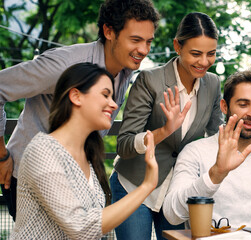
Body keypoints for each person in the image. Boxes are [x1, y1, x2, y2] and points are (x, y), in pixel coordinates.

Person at [0, 0, 159, 221]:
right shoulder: (65, 64)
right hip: (32, 178)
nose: (143, 50)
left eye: (148, 41)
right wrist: (1, 155)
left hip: (75, 179)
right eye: (135, 40)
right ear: (108, 31)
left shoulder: (125, 69)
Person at [10, 63, 160, 239]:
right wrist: (146, 186)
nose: (113, 105)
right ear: (76, 96)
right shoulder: (42, 151)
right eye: (105, 95)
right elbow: (81, 227)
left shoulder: (87, 154)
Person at [111, 12, 224, 240]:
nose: (204, 62)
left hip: (177, 193)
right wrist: (164, 131)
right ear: (177, 46)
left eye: (211, 54)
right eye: (195, 53)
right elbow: (124, 145)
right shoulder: (149, 81)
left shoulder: (212, 84)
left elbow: (214, 137)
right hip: (134, 186)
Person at [163, 69, 251, 228]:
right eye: (243, 104)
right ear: (224, 106)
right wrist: (215, 174)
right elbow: (172, 214)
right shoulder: (194, 152)